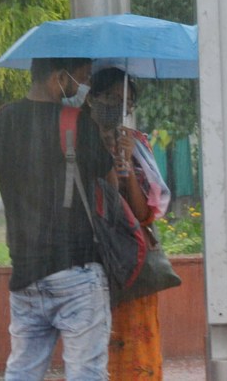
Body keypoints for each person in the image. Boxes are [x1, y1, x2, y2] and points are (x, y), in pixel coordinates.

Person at [0, 57, 116, 381]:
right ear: (58, 78)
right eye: (81, 78)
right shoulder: (76, 121)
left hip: (25, 273)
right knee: (85, 374)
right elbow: (110, 182)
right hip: (75, 270)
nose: (82, 87)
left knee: (22, 372)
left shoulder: (1, 120)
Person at [85, 67, 171, 381]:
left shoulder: (137, 145)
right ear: (92, 97)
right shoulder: (79, 140)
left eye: (125, 102)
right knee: (96, 349)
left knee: (138, 345)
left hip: (132, 263)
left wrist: (127, 164)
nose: (116, 107)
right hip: (92, 259)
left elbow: (142, 212)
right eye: (109, 97)